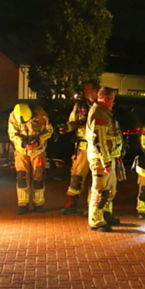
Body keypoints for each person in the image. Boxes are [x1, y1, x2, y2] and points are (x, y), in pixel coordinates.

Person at [58, 81, 100, 214]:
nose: (84, 91)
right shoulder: (80, 106)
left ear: (95, 90)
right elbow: (74, 122)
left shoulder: (102, 106)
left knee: (96, 178)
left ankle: (92, 207)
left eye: (87, 89)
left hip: (98, 147)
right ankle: (71, 204)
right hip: (83, 146)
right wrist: (67, 127)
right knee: (77, 176)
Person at [86, 87, 123, 232]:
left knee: (110, 189)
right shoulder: (98, 114)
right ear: (106, 98)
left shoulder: (105, 113)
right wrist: (106, 162)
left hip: (109, 157)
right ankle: (96, 220)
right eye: (112, 100)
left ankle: (106, 214)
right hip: (101, 160)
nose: (114, 103)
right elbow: (99, 141)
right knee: (100, 190)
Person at [8, 102, 54, 214]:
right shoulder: (13, 116)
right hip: (21, 151)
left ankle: (39, 204)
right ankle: (22, 204)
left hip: (38, 151)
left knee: (38, 176)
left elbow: (49, 131)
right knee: (21, 177)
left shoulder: (41, 115)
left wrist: (38, 141)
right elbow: (12, 134)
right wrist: (23, 143)